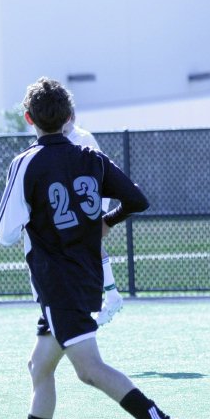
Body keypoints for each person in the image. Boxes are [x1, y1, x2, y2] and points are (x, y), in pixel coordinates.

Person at [0, 77, 192, 419]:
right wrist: (105, 222)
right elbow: (136, 199)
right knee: (39, 366)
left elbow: (6, 234)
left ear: (29, 119)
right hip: (84, 277)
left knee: (90, 370)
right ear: (70, 117)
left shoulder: (26, 162)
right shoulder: (91, 156)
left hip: (57, 283)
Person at [62, 110, 124, 325]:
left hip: (87, 202)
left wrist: (98, 211)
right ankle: (108, 295)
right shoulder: (58, 137)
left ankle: (111, 295)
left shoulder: (82, 138)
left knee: (90, 245)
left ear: (69, 117)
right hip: (71, 203)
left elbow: (99, 175)